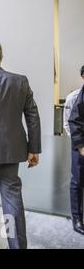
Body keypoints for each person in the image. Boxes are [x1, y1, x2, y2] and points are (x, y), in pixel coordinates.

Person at [0, 41, 41, 249]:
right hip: (11, 151)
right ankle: (16, 245)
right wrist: (33, 149)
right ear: (0, 58)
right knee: (11, 202)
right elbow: (32, 116)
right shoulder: (20, 81)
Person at [68, 66, 84, 235]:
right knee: (78, 182)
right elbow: (71, 122)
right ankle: (77, 219)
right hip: (80, 146)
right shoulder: (75, 97)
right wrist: (80, 146)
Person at [64, 66, 84, 137]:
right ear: (83, 76)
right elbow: (67, 123)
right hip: (79, 143)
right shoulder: (72, 98)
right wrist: (79, 145)